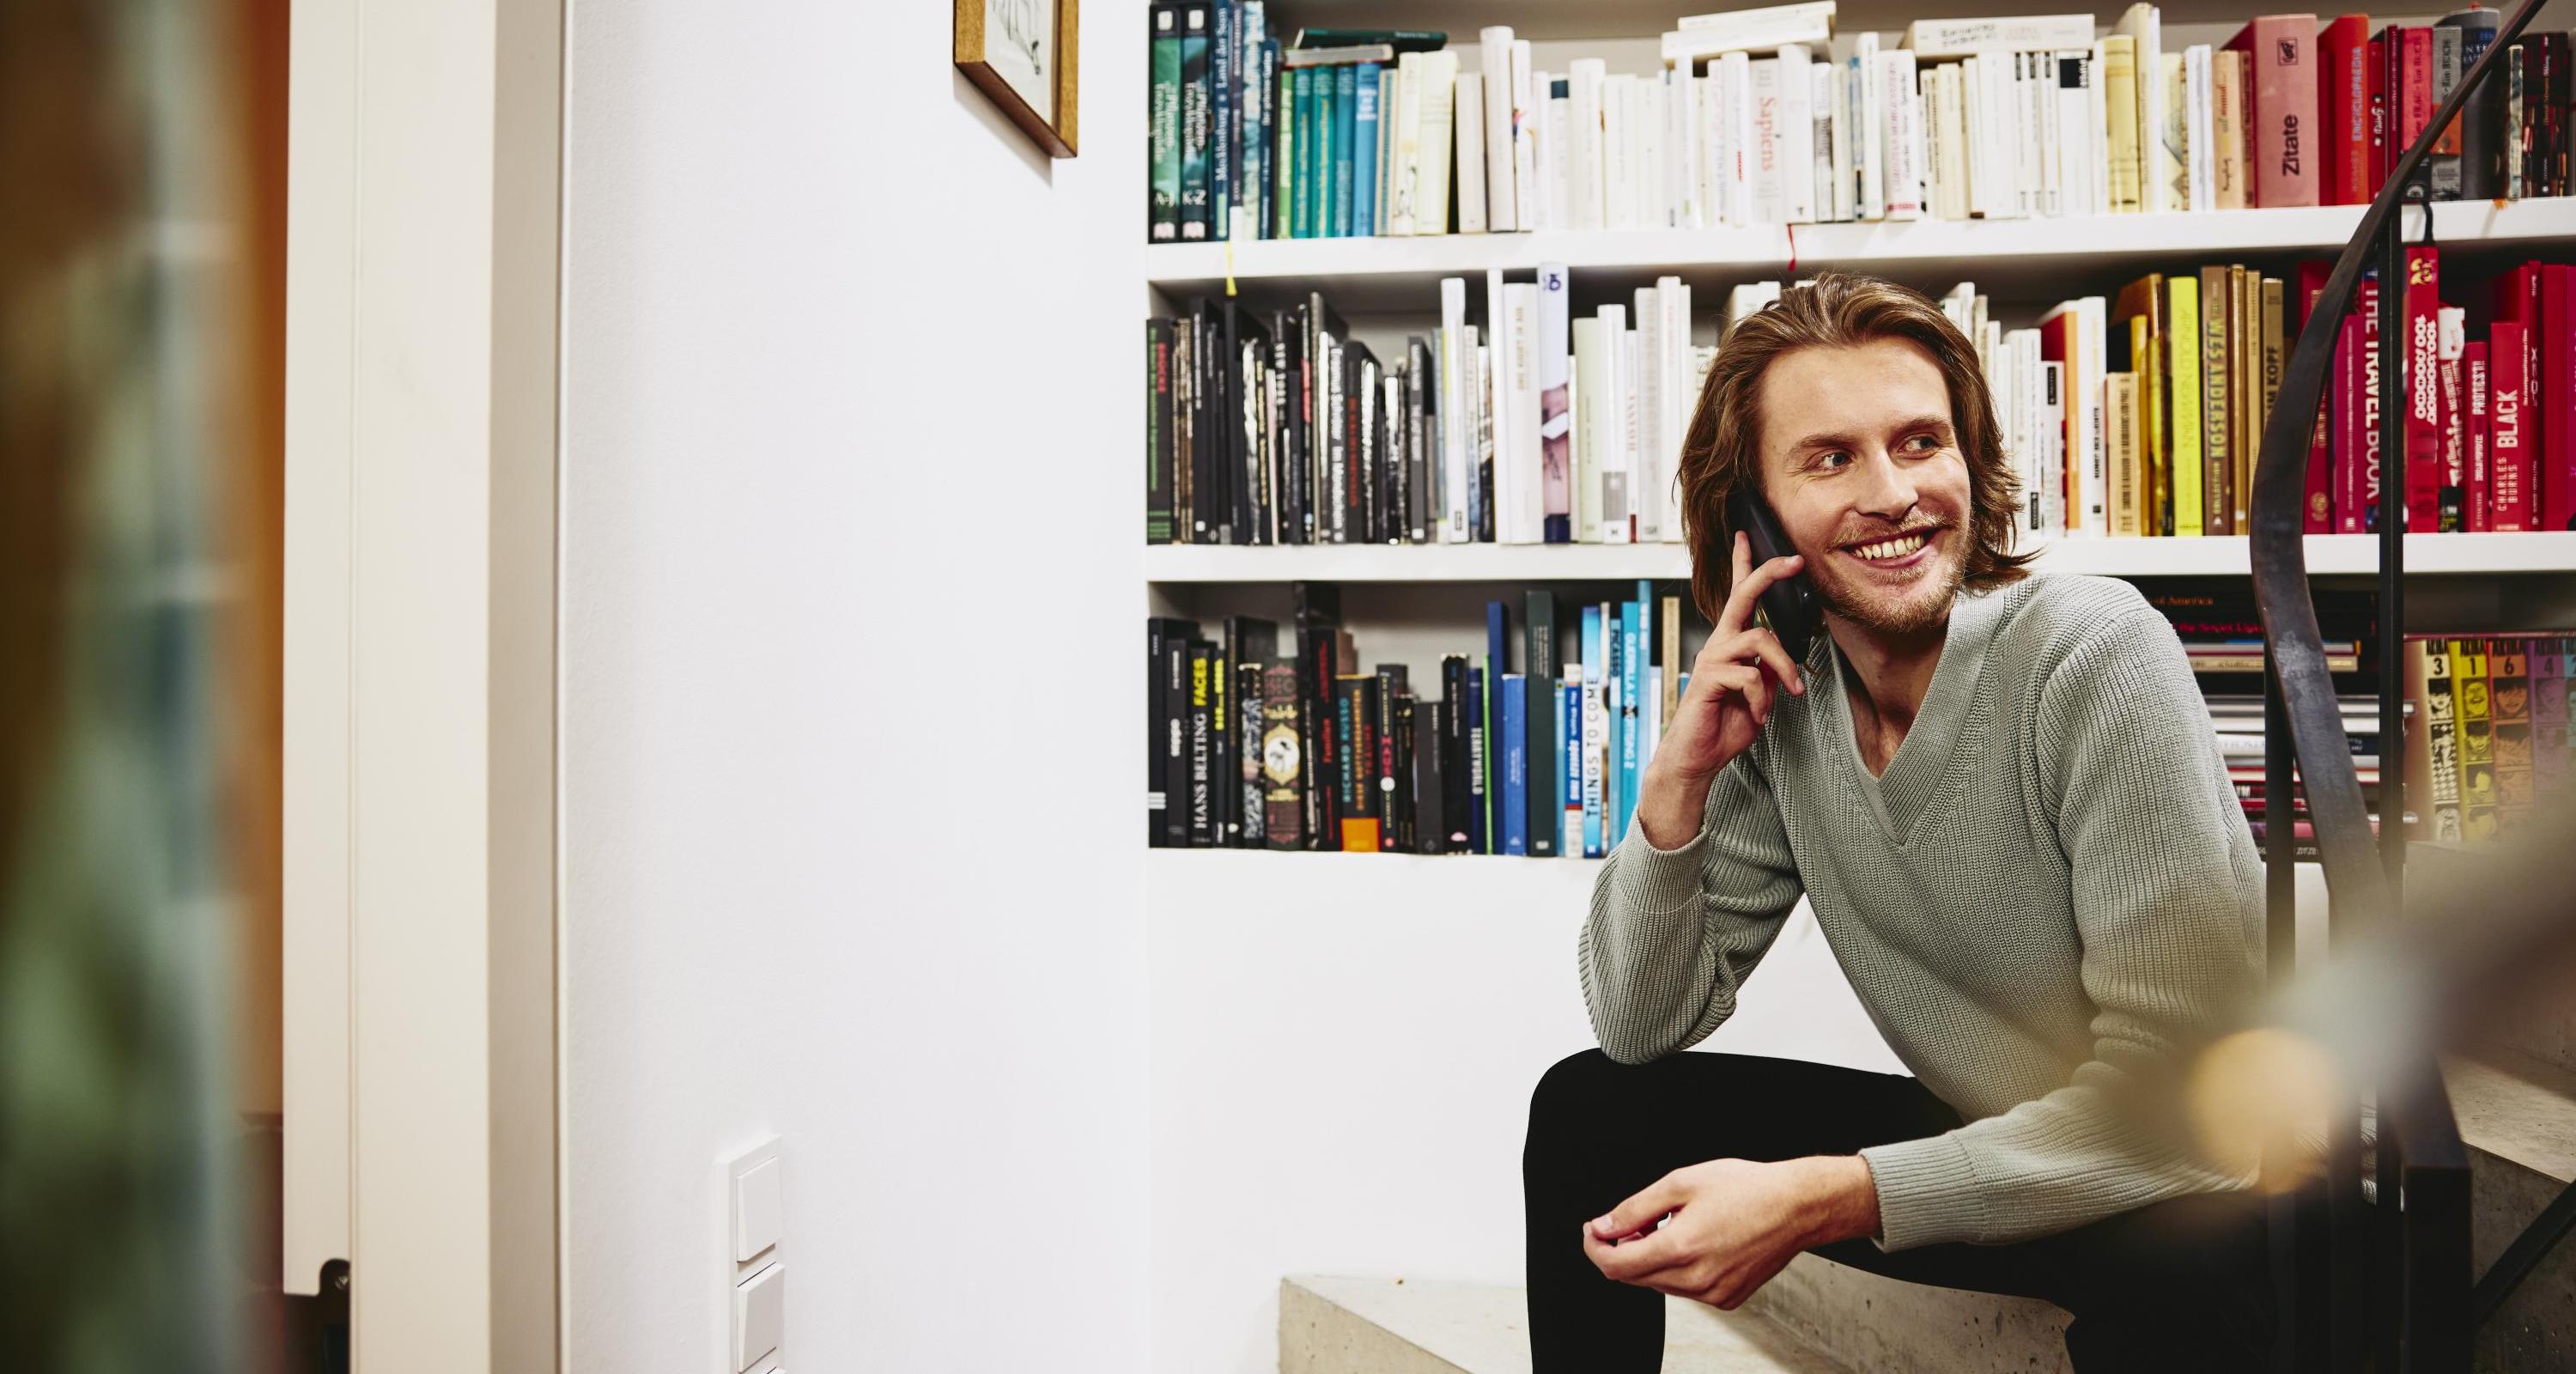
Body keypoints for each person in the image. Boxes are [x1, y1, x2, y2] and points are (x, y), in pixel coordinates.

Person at [1522, 274, 2273, 1373]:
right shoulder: (1790, 702)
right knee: (1590, 1106)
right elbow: (1642, 1025)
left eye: (1922, 442)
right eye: (1830, 459)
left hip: (2200, 1179)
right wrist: (1673, 790)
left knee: (2188, 1269)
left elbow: (2188, 1117)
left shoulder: (2093, 652)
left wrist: (1823, 1196)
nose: (1894, 494)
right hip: (1999, 1146)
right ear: (1754, 520)